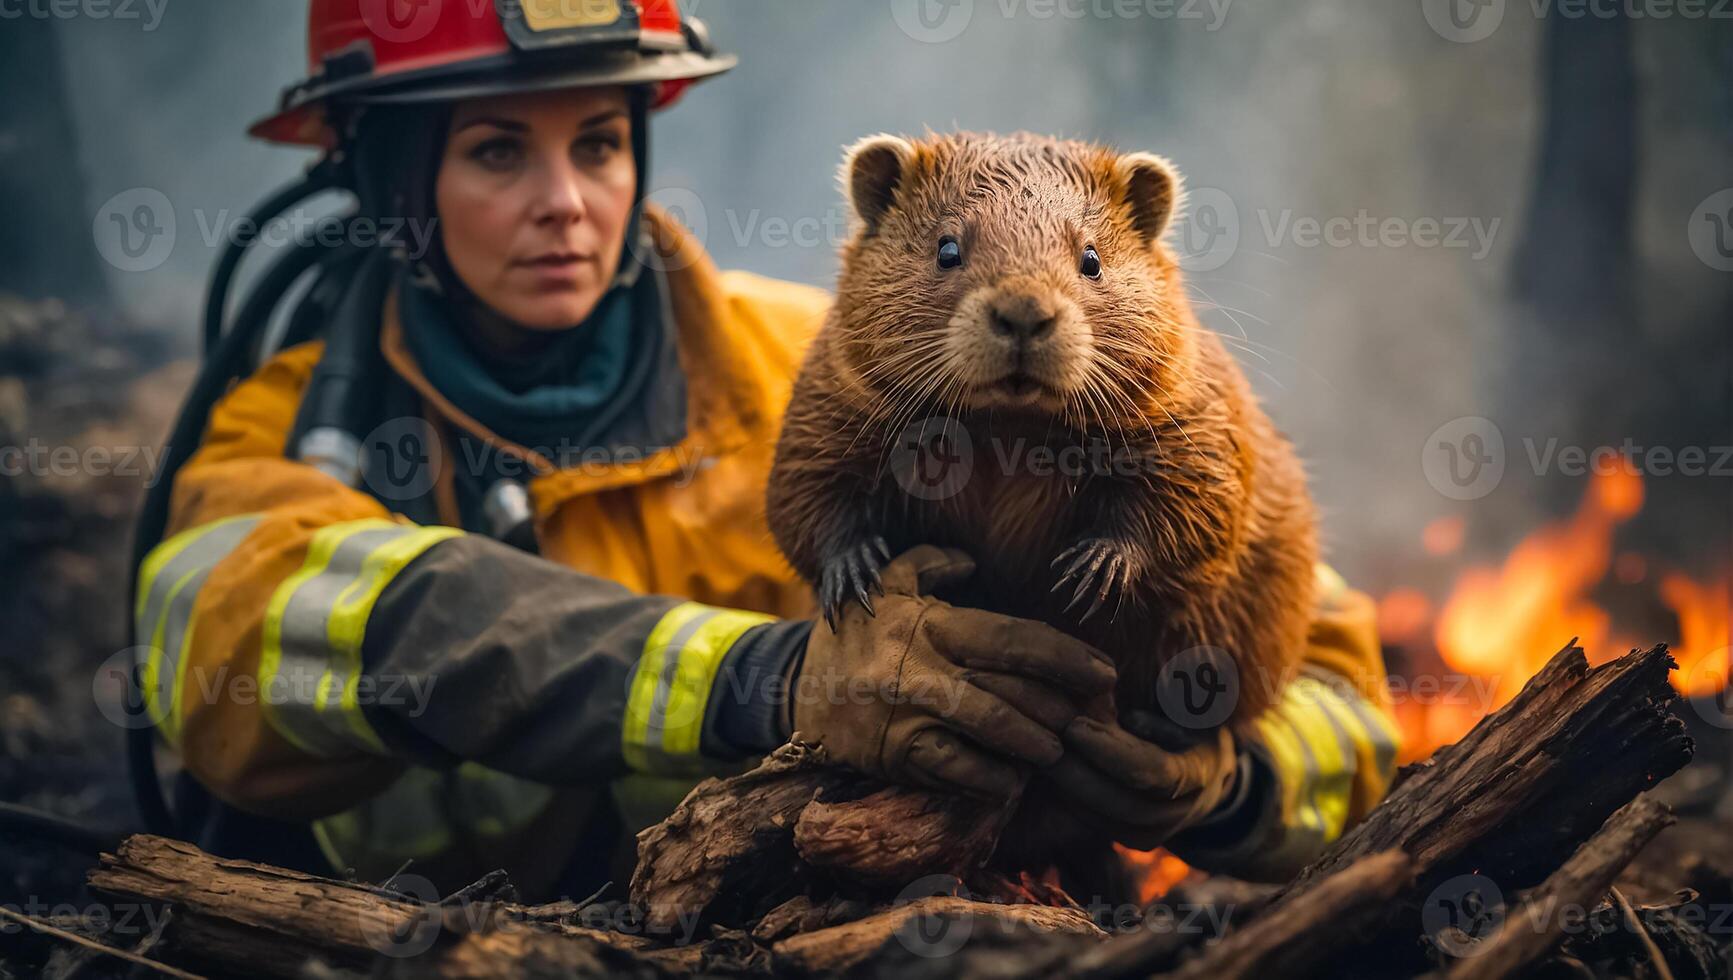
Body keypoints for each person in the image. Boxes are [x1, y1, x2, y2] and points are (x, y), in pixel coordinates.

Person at [132, 0, 1401, 903]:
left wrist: (1224, 787)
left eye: (599, 141)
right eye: (495, 150)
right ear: (391, 176)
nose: (565, 200)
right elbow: (222, 639)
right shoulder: (290, 429)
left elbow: (1332, 661)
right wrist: (765, 678)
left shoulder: (814, 355)